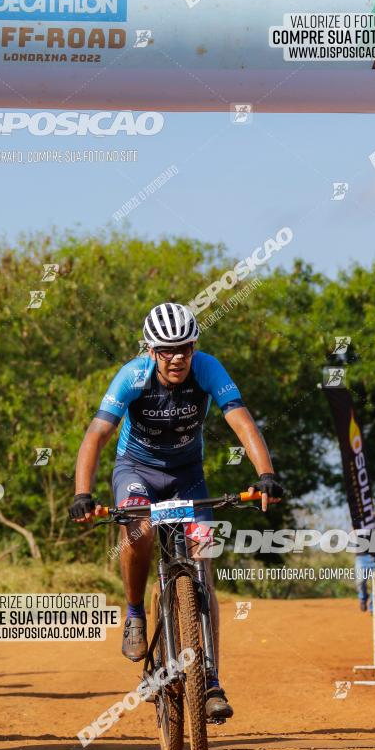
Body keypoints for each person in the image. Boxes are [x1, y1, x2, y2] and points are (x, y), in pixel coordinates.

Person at [69, 302, 283, 720]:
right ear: (151, 350)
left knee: (203, 563)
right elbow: (96, 434)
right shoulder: (133, 375)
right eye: (167, 350)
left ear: (194, 346)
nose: (177, 358)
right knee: (139, 529)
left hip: (187, 475)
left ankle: (211, 678)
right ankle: (134, 613)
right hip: (136, 471)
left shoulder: (207, 368)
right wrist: (82, 493)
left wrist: (266, 474)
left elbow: (241, 420)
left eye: (184, 347)